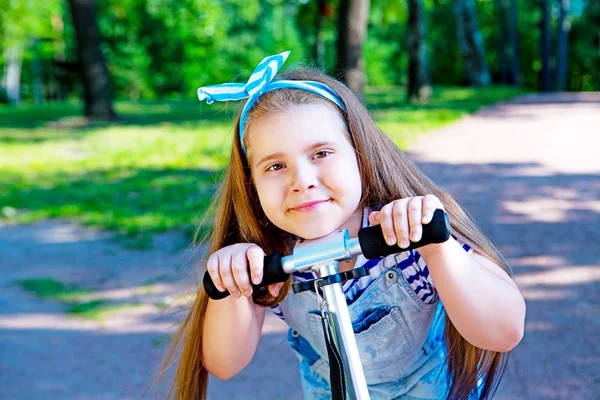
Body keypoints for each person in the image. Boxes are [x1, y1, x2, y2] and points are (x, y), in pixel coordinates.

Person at [160, 51, 526, 400]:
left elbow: (504, 331)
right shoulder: (272, 260)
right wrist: (234, 284)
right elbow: (225, 363)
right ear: (251, 186)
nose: (301, 180)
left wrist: (437, 248)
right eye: (275, 166)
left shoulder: (406, 234)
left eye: (321, 154)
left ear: (361, 155)